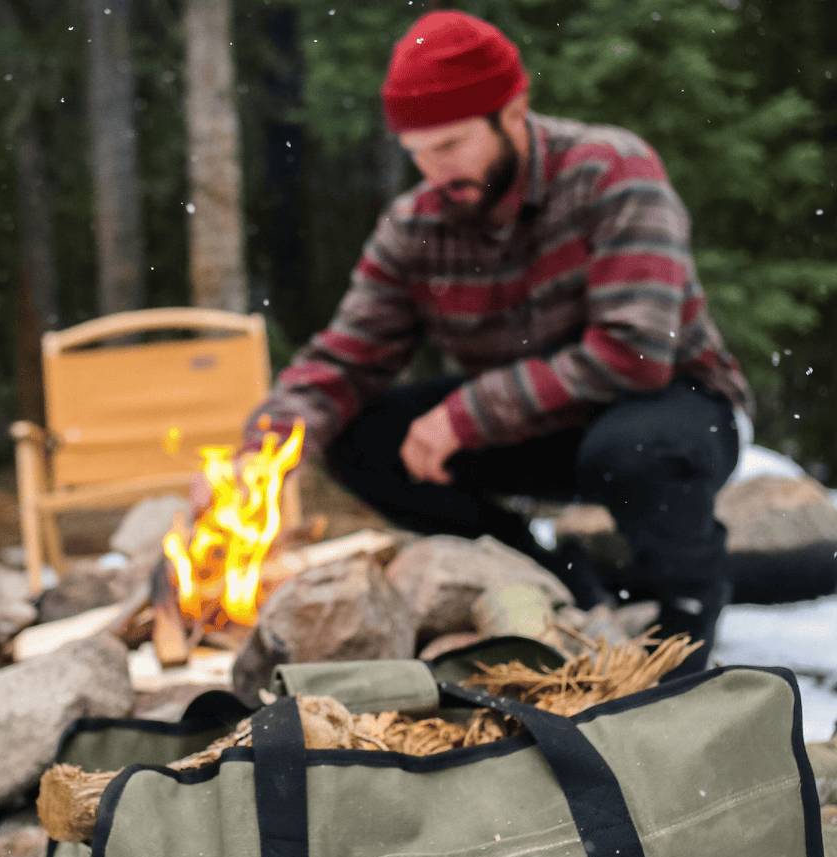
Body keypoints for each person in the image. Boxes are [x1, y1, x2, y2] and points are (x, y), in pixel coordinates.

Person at [233, 10, 755, 673]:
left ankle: (682, 616)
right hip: (534, 424)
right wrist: (259, 456)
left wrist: (464, 415)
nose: (433, 169)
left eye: (450, 145)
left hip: (671, 407)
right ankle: (541, 573)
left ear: (513, 113)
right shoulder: (416, 226)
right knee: (360, 435)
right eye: (417, 151)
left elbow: (635, 356)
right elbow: (346, 357)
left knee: (636, 447)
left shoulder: (613, 172)